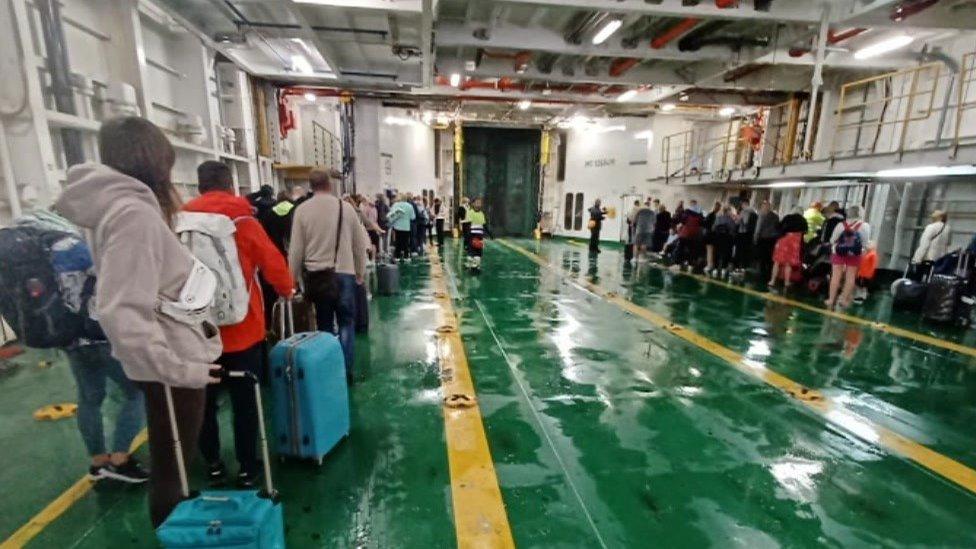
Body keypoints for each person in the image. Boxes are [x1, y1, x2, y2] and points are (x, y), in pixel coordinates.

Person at [56, 117, 222, 528]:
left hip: (166, 362)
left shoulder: (118, 208)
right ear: (156, 161)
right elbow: (122, 310)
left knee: (175, 465)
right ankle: (174, 531)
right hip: (172, 365)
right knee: (172, 467)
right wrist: (180, 369)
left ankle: (180, 520)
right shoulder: (134, 215)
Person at [183, 161, 295, 488]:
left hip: (197, 331)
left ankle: (214, 464)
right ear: (230, 184)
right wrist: (287, 289)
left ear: (200, 185)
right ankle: (248, 467)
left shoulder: (180, 219)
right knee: (246, 402)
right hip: (243, 329)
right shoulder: (242, 217)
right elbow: (271, 262)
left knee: (203, 401)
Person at [288, 170, 369, 383]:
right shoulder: (346, 208)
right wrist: (360, 272)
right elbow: (359, 245)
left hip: (317, 276)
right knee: (346, 323)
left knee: (323, 326)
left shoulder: (302, 211)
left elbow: (296, 249)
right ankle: (345, 371)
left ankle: (328, 371)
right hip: (345, 274)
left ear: (310, 186)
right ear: (329, 185)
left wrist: (292, 279)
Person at [63, 340, 147, 483]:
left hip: (74, 343)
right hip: (103, 339)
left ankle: (99, 462)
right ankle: (119, 461)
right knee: (137, 393)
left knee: (89, 401)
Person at [825, 205, 871, 310]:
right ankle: (843, 300)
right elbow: (865, 243)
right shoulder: (865, 226)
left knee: (836, 276)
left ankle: (831, 299)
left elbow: (832, 240)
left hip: (839, 252)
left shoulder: (841, 225)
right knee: (850, 277)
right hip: (855, 254)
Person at [769, 206, 808, 289]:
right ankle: (787, 283)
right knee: (788, 264)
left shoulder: (787, 217)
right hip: (795, 242)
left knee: (777, 262)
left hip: (783, 240)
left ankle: (772, 281)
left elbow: (778, 227)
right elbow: (806, 231)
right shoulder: (803, 220)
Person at [754, 200, 781, 283]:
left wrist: (755, 239)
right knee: (770, 259)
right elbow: (778, 228)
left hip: (763, 239)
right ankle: (768, 275)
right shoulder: (776, 216)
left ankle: (761, 275)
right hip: (773, 240)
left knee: (761, 258)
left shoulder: (762, 215)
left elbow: (758, 228)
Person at [710, 206, 737, 278]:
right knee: (726, 254)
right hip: (727, 239)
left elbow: (713, 228)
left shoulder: (718, 218)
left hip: (718, 238)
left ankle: (715, 269)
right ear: (728, 211)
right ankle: (723, 269)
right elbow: (733, 230)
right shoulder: (731, 220)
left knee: (716, 253)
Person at [388, 194, 416, 261]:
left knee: (398, 242)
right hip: (406, 227)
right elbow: (413, 217)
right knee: (406, 242)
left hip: (397, 227)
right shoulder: (410, 206)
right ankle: (406, 257)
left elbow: (391, 215)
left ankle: (397, 256)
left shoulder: (395, 205)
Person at [465, 198, 490, 269]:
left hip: (480, 236)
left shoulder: (482, 213)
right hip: (472, 235)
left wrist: (489, 233)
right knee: (471, 250)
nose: (478, 204)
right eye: (477, 203)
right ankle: (470, 262)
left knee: (478, 250)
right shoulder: (470, 212)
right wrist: (467, 238)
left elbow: (484, 225)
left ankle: (476, 264)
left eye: (480, 203)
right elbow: (468, 225)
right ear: (473, 204)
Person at [733, 200, 758, 272]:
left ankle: (737, 267)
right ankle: (744, 267)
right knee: (746, 251)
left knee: (739, 250)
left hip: (742, 233)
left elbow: (739, 222)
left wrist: (736, 217)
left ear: (744, 204)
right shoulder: (754, 212)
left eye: (742, 204)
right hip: (750, 234)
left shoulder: (744, 211)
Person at [703, 201, 721, 273]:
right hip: (716, 235)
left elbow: (705, 223)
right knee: (713, 251)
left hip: (709, 234)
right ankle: (712, 265)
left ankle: (709, 265)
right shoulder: (719, 215)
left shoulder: (711, 214)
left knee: (709, 251)